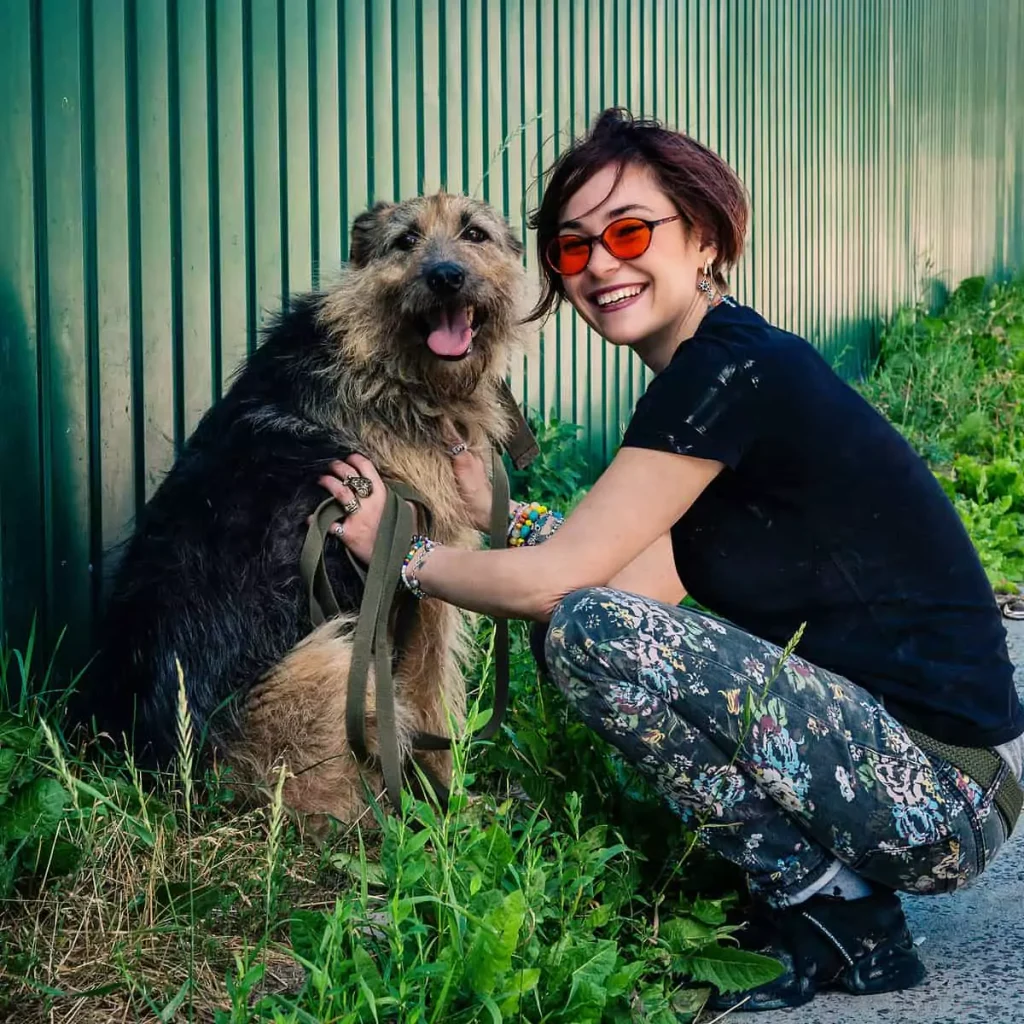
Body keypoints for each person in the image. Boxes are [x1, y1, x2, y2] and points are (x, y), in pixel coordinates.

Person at [316, 108, 1024, 1012]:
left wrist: (402, 554)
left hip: (939, 794)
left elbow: (564, 590)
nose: (600, 266)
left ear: (706, 239)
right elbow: (634, 575)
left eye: (629, 232)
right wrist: (498, 513)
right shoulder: (727, 370)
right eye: (574, 248)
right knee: (594, 628)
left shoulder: (726, 376)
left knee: (583, 631)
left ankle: (834, 912)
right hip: (927, 783)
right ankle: (839, 912)